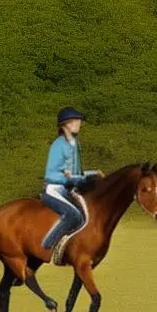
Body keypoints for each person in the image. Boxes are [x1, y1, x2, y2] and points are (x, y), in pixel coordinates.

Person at [41, 107, 104, 263]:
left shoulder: (74, 144)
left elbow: (77, 173)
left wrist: (92, 174)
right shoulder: (58, 145)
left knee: (88, 215)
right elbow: (51, 175)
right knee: (73, 215)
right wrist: (73, 180)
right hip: (54, 189)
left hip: (68, 189)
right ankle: (47, 246)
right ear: (65, 125)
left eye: (79, 121)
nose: (79, 123)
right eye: (75, 121)